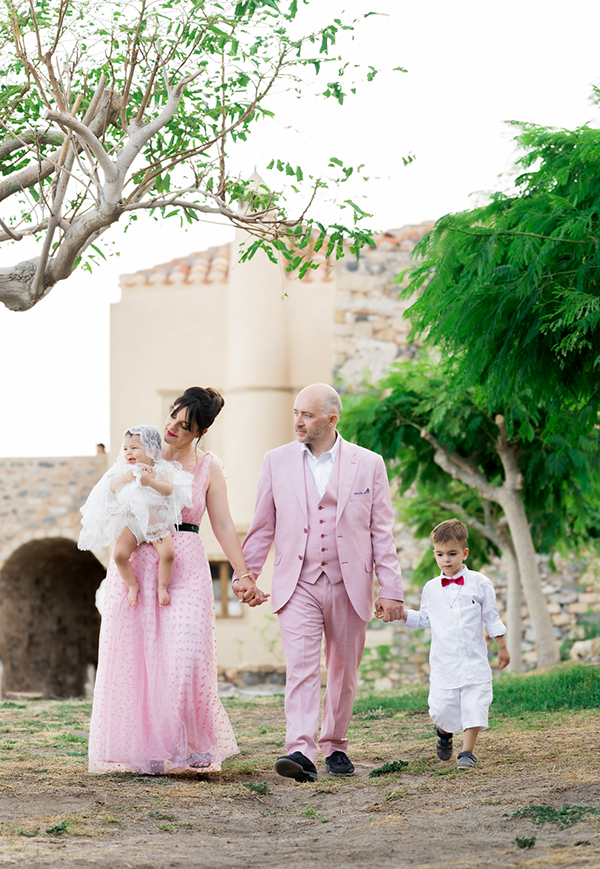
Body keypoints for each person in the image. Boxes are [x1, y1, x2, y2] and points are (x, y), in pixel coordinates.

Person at [88, 387, 266, 775]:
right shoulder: (140, 449)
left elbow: (221, 524)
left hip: (184, 560)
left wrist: (244, 573)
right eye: (172, 416)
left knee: (186, 656)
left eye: (184, 426)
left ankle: (193, 745)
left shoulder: (208, 467)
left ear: (200, 431)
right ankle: (147, 748)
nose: (172, 428)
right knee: (139, 659)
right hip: (138, 561)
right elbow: (110, 497)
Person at [236, 383, 405, 782]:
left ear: (331, 419)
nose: (297, 421)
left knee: (344, 671)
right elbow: (263, 525)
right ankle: (300, 749)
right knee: (301, 668)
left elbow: (382, 531)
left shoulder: (369, 464)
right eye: (296, 413)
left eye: (307, 415)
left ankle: (335, 746)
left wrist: (392, 589)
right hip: (297, 582)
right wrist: (248, 575)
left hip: (351, 583)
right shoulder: (276, 461)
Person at [401, 518, 510, 769]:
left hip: (474, 661)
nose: (446, 560)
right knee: (442, 709)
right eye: (440, 554)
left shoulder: (480, 583)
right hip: (444, 663)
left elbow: (492, 618)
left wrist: (502, 647)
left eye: (452, 554)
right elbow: (424, 619)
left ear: (465, 552)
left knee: (475, 705)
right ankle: (444, 733)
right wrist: (402, 614)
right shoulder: (430, 588)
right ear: (434, 554)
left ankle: (466, 753)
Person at [79, 425, 193, 607]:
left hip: (155, 522)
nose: (128, 453)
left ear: (151, 449)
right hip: (132, 524)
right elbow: (112, 487)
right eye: (125, 449)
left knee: (168, 554)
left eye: (134, 448)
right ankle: (132, 585)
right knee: (119, 554)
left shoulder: (161, 469)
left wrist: (151, 482)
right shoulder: (124, 469)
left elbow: (168, 489)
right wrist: (126, 478)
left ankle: (162, 587)